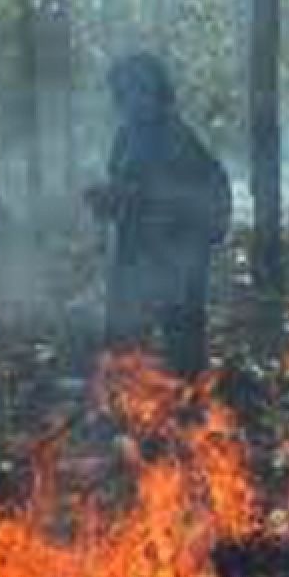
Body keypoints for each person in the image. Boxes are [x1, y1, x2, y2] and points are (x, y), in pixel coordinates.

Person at [84, 53, 231, 377]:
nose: (132, 100)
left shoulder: (177, 137)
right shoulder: (126, 136)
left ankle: (191, 409)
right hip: (135, 253)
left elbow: (204, 196)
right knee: (122, 339)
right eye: (124, 92)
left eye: (141, 90)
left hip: (178, 256)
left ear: (158, 92)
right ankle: (124, 408)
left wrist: (134, 197)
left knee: (182, 347)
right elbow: (123, 191)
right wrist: (106, 201)